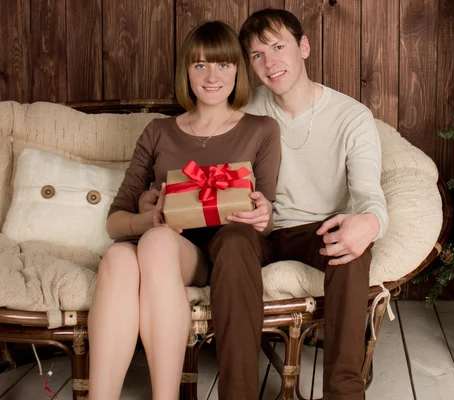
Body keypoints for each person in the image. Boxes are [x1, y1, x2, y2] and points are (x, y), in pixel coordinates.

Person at [140, 9, 388, 400]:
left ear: (303, 47)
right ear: (248, 66)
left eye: (278, 47)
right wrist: (152, 194)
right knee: (234, 241)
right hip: (251, 229)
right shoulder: (242, 109)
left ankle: (344, 393)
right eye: (256, 55)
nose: (270, 62)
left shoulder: (351, 117)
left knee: (351, 248)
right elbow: (196, 156)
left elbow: (368, 191)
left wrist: (370, 222)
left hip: (315, 230)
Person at [88, 21, 281, 400]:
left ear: (239, 71)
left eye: (224, 65)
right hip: (158, 243)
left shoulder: (262, 129)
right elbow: (115, 221)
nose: (212, 76)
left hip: (215, 255)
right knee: (116, 259)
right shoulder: (158, 131)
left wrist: (264, 214)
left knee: (157, 244)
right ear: (186, 73)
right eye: (200, 65)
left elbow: (266, 214)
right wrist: (152, 217)